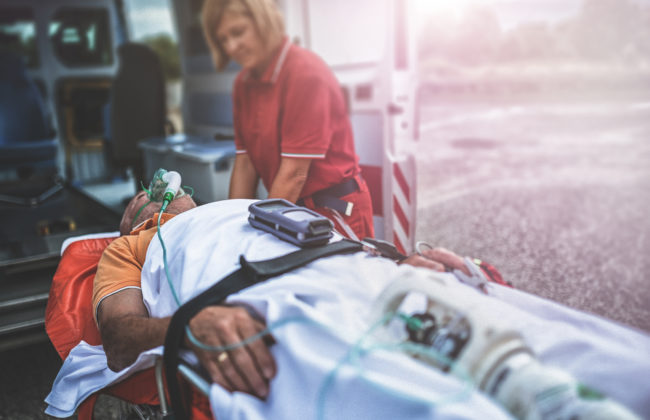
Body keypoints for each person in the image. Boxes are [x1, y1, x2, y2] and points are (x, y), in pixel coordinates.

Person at [45, 193, 650, 419]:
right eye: (149, 201)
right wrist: (190, 322)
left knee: (434, 297)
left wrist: (401, 255)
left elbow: (332, 237)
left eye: (172, 195)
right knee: (306, 341)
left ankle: (567, 389)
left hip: (343, 264)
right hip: (245, 295)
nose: (165, 199)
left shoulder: (252, 205)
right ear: (136, 218)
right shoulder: (131, 249)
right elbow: (121, 336)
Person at [201, 0, 374, 240]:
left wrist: (259, 236)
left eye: (238, 32)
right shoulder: (243, 84)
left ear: (263, 22)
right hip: (291, 208)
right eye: (223, 39)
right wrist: (234, 230)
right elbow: (245, 164)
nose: (231, 47)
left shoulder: (304, 72)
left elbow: (294, 174)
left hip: (331, 212)